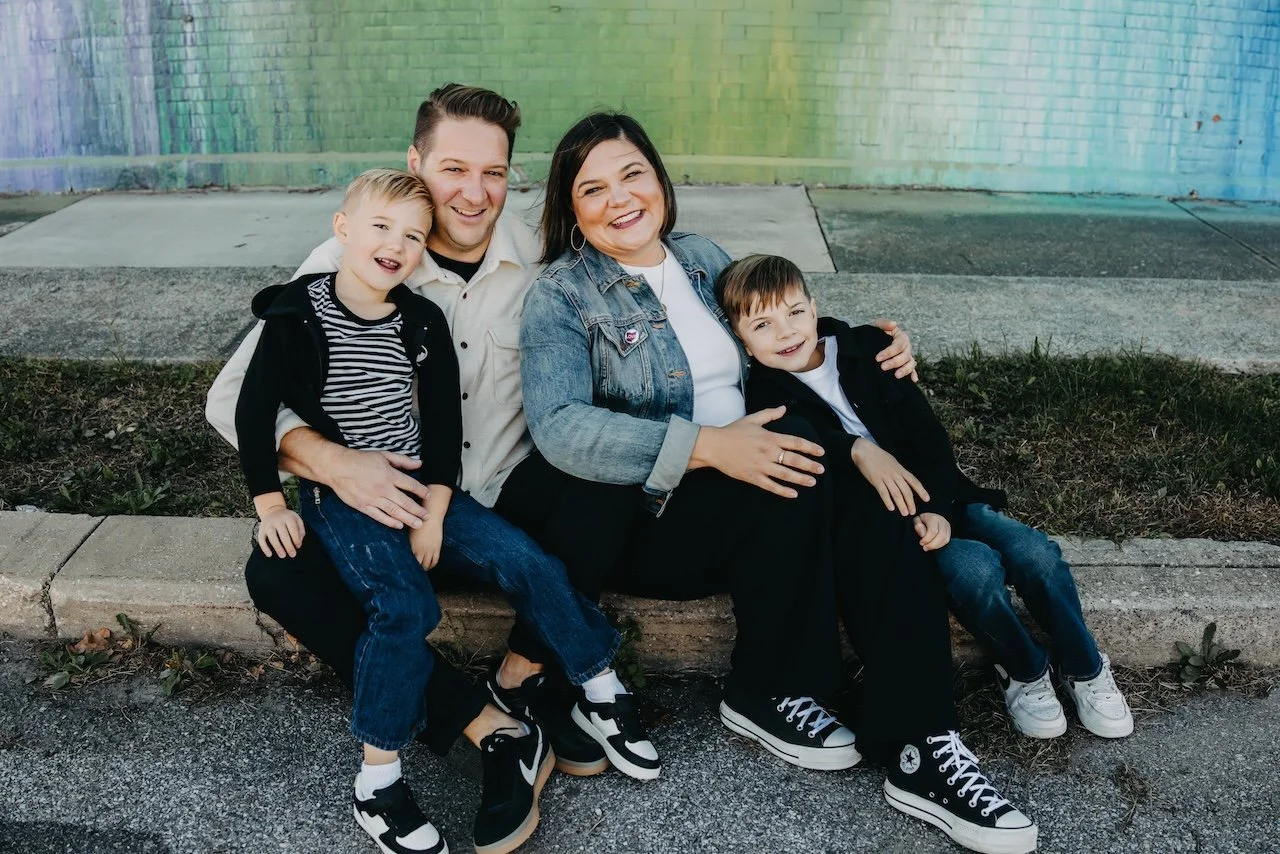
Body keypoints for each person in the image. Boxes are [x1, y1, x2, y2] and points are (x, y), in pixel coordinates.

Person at [206, 86, 655, 854]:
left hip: (495, 496)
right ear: (415, 163)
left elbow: (648, 271)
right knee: (278, 573)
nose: (474, 193)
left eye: (494, 173)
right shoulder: (348, 264)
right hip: (379, 505)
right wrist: (335, 465)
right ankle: (488, 729)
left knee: (597, 491)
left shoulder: (542, 255)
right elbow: (232, 400)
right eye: (453, 169)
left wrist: (832, 344)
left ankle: (527, 676)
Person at [519, 112, 926, 782]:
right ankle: (766, 690)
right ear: (571, 208)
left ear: (659, 180)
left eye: (632, 175)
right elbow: (560, 426)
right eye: (593, 189)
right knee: (795, 462)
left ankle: (912, 722)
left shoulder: (703, 260)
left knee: (849, 480)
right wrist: (706, 447)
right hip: (652, 519)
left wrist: (867, 343)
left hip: (744, 483)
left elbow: (773, 325)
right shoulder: (561, 297)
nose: (619, 199)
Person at [715, 253, 1038, 854]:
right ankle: (920, 744)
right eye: (761, 325)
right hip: (811, 504)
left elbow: (926, 437)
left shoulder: (863, 348)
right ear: (738, 338)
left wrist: (936, 505)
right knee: (885, 515)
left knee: (1015, 552)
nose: (785, 332)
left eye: (795, 314)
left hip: (918, 499)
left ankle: (925, 742)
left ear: (814, 308)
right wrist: (856, 449)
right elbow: (792, 434)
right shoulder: (760, 389)